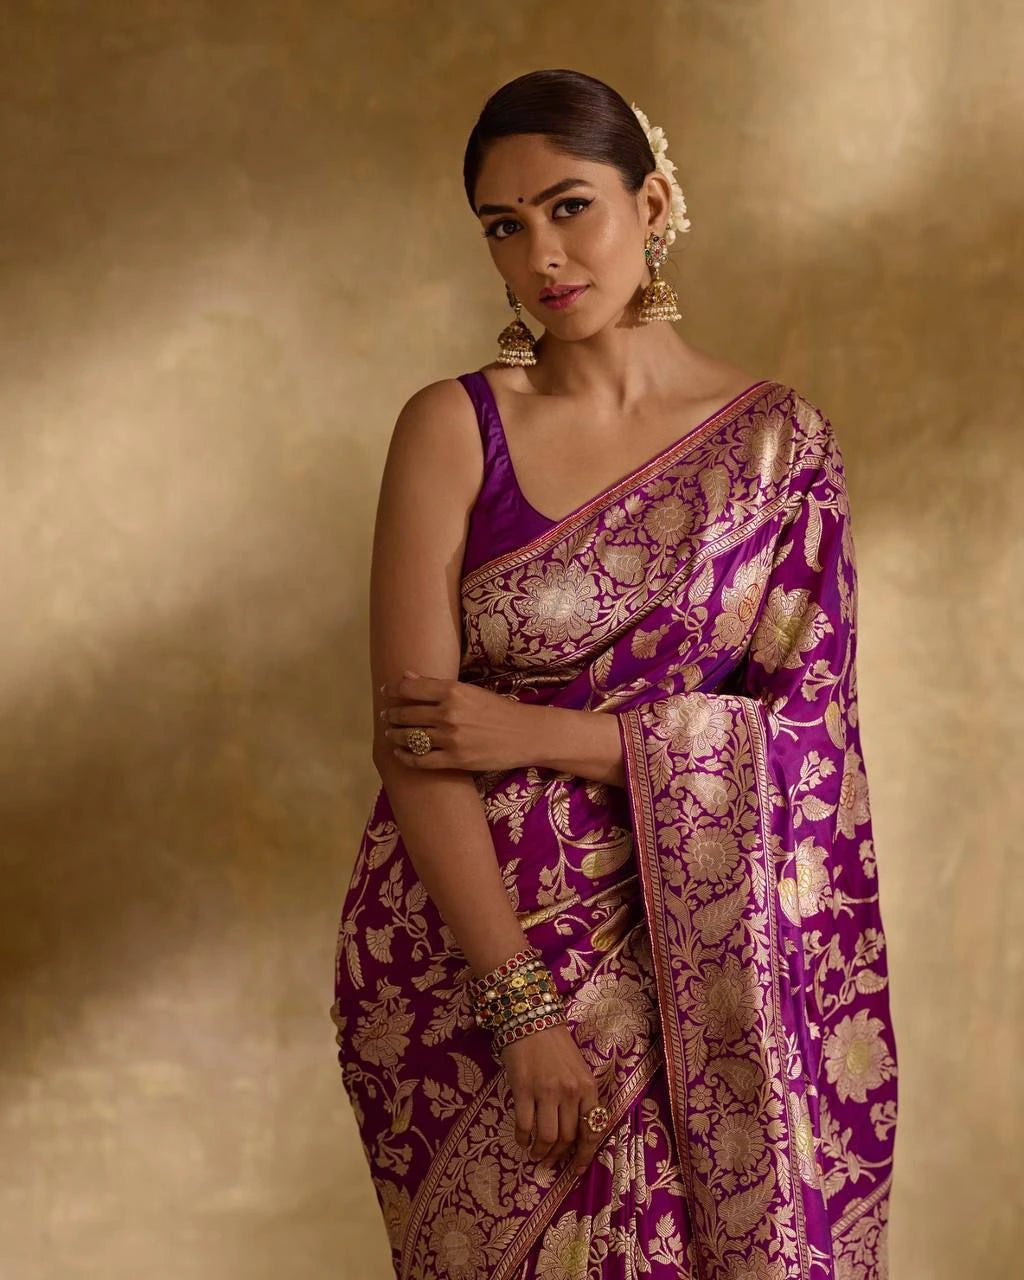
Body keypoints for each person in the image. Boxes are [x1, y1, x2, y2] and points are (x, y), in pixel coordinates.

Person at [331, 67, 898, 1280]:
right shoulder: (452, 425)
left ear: (652, 201)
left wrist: (544, 734)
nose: (541, 251)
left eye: (568, 205)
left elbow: (807, 743)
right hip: (473, 969)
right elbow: (415, 738)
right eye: (503, 223)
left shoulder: (775, 447)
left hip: (712, 976)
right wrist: (522, 1008)